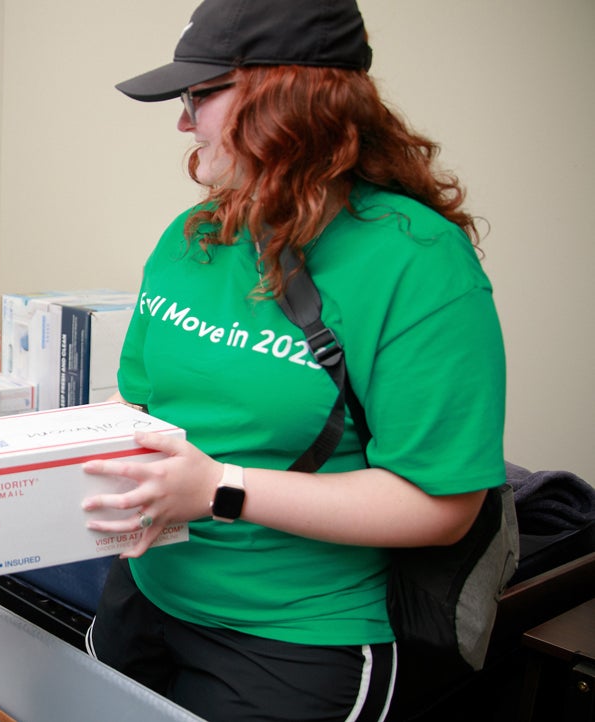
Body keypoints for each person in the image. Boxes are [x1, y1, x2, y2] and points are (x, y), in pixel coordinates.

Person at [78, 1, 506, 720]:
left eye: (198, 96)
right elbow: (141, 407)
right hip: (147, 596)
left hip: (296, 637)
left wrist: (220, 488)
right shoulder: (195, 235)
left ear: (286, 98)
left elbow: (440, 506)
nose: (183, 122)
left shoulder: (419, 263)